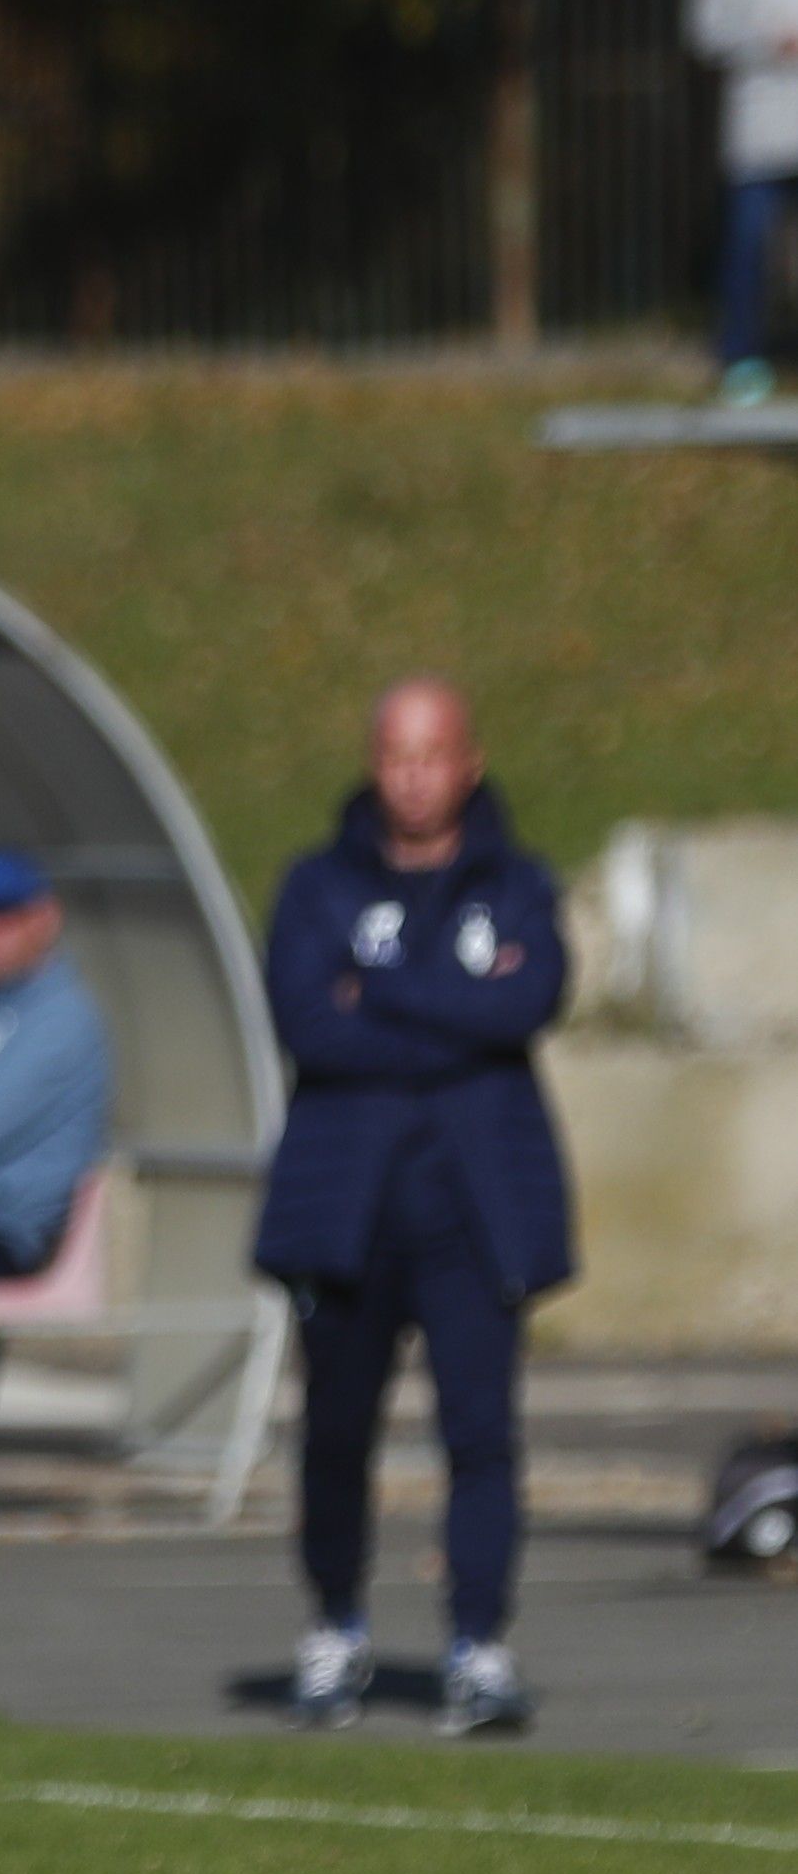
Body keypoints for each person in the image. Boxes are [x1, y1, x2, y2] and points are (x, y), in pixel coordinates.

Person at [254, 678, 568, 1739]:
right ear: (371, 762)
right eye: (395, 754)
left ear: (469, 762)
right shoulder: (316, 888)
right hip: (347, 1208)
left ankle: (477, 1646)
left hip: (474, 1211)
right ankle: (335, 1626)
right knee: (335, 1435)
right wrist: (456, 1019)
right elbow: (309, 1024)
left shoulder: (516, 884)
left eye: (434, 754)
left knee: (480, 1433)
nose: (414, 775)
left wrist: (381, 990)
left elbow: (528, 1000)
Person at [690, 0, 798, 404]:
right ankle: (741, 358)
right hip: (760, 135)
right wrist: (766, 41)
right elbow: (704, 32)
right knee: (748, 246)